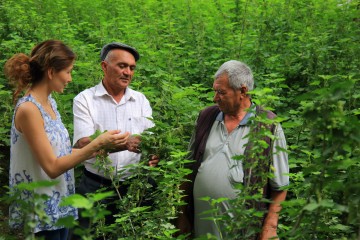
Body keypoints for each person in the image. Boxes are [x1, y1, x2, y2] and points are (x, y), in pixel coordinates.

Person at [5, 40, 129, 240]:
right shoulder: (29, 109)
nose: (70, 79)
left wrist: (102, 147)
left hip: (59, 208)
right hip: (41, 214)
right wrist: (95, 144)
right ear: (51, 71)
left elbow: (60, 154)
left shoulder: (48, 103)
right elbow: (52, 167)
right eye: (68, 72)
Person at [177, 60, 289, 239]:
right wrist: (182, 215)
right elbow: (187, 170)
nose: (215, 98)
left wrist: (270, 226)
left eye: (221, 92)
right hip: (200, 228)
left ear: (243, 91)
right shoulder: (207, 117)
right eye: (215, 91)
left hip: (243, 231)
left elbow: (280, 185)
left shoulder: (268, 126)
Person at [70, 42, 159, 238]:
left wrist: (153, 154)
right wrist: (124, 144)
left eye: (132, 68)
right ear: (104, 66)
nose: (128, 72)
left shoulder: (141, 100)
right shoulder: (85, 100)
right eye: (122, 66)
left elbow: (151, 141)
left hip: (135, 187)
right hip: (96, 187)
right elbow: (83, 144)